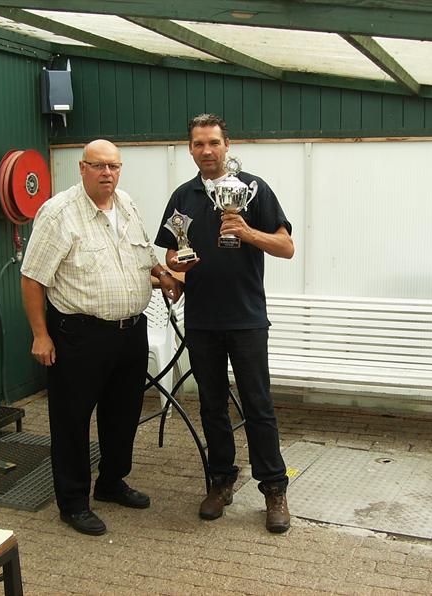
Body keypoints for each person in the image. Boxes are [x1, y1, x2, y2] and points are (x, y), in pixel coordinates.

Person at [21, 139, 182, 536]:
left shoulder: (126, 204)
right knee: (72, 421)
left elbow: (143, 258)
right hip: (79, 335)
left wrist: (163, 276)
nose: (107, 173)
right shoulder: (58, 213)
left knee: (123, 414)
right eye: (98, 166)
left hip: (130, 332)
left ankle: (111, 482)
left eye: (113, 166)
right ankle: (73, 503)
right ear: (82, 168)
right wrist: (40, 335)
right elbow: (32, 277)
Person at [155, 114, 294, 533]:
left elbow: (286, 246)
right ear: (190, 149)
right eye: (199, 144)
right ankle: (221, 481)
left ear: (227, 146)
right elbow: (171, 254)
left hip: (247, 318)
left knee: (258, 405)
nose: (207, 150)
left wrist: (247, 232)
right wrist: (177, 267)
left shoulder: (252, 189)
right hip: (202, 320)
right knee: (211, 405)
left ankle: (274, 489)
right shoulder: (183, 196)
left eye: (214, 142)